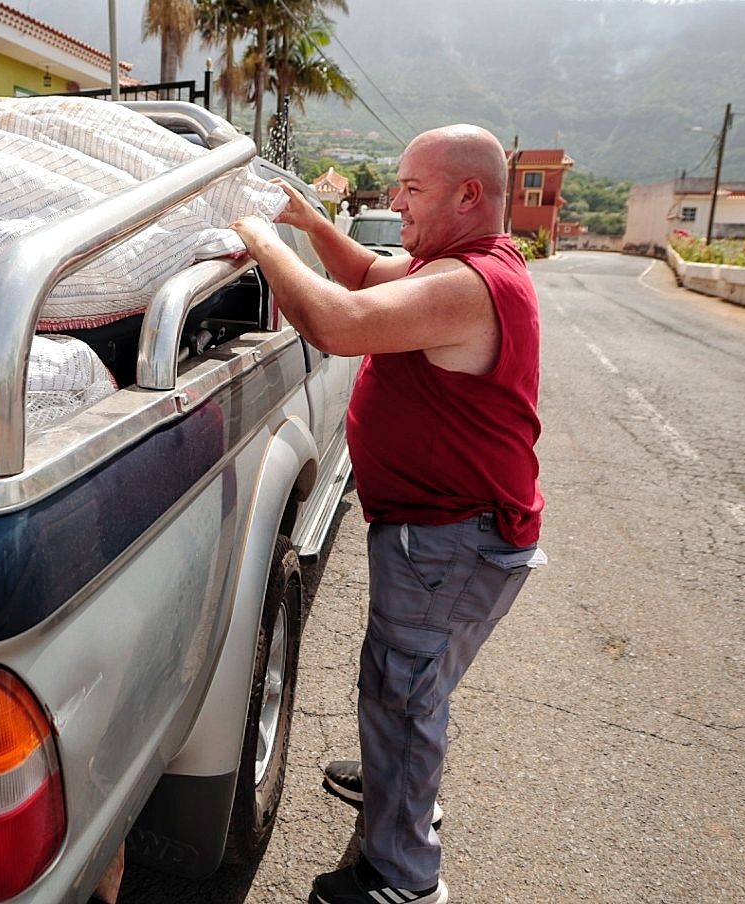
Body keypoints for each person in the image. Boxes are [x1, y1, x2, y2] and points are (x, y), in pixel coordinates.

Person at [229, 124, 545, 904]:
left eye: (413, 188)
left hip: (450, 542)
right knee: (413, 688)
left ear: (469, 195)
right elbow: (369, 270)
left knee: (403, 697)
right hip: (451, 539)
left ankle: (401, 882)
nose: (394, 200)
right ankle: (396, 787)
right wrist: (309, 226)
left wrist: (258, 239)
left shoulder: (469, 284)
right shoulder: (459, 264)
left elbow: (339, 323)